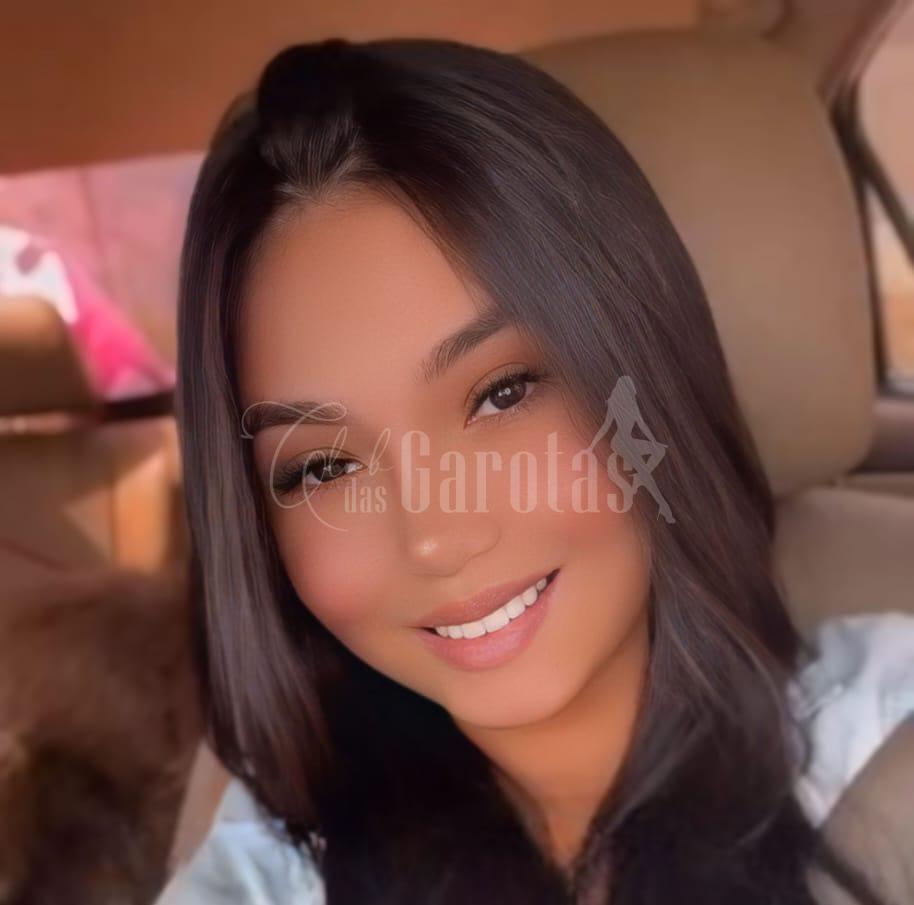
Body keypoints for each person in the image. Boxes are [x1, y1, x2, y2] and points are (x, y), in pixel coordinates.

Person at [156, 37, 914, 904]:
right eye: (324, 466)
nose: (436, 536)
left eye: (503, 393)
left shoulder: (888, 748)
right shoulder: (281, 862)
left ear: (645, 377)